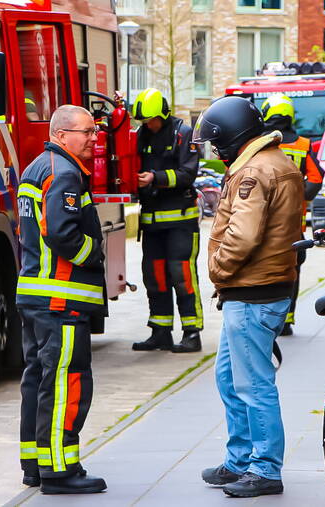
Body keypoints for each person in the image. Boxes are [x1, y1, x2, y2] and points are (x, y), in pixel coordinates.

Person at [192, 95, 304, 498]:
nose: (214, 149)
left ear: (228, 137)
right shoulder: (276, 161)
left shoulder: (253, 171)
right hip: (260, 289)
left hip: (253, 292)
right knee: (228, 377)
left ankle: (265, 468)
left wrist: (218, 270)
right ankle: (240, 460)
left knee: (253, 384)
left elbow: (243, 234)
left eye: (215, 142)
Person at [16, 105, 108, 495]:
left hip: (37, 295)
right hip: (61, 299)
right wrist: (95, 255)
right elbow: (62, 233)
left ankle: (36, 464)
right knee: (66, 382)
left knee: (37, 381)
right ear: (60, 135)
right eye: (86, 131)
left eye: (94, 131)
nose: (93, 138)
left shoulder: (36, 168)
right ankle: (59, 470)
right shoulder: (65, 173)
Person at [129, 88, 203, 354]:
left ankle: (192, 333)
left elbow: (187, 173)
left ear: (163, 114)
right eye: (143, 121)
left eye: (150, 120)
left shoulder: (183, 134)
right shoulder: (141, 136)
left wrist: (155, 178)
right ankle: (160, 332)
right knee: (155, 277)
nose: (147, 125)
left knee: (182, 276)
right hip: (152, 223)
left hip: (181, 222)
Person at [260, 93, 325, 335]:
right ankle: (286, 320)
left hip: (265, 223)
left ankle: (268, 316)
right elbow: (316, 178)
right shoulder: (303, 144)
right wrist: (297, 196)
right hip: (294, 226)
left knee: (267, 267)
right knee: (292, 270)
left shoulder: (260, 143)